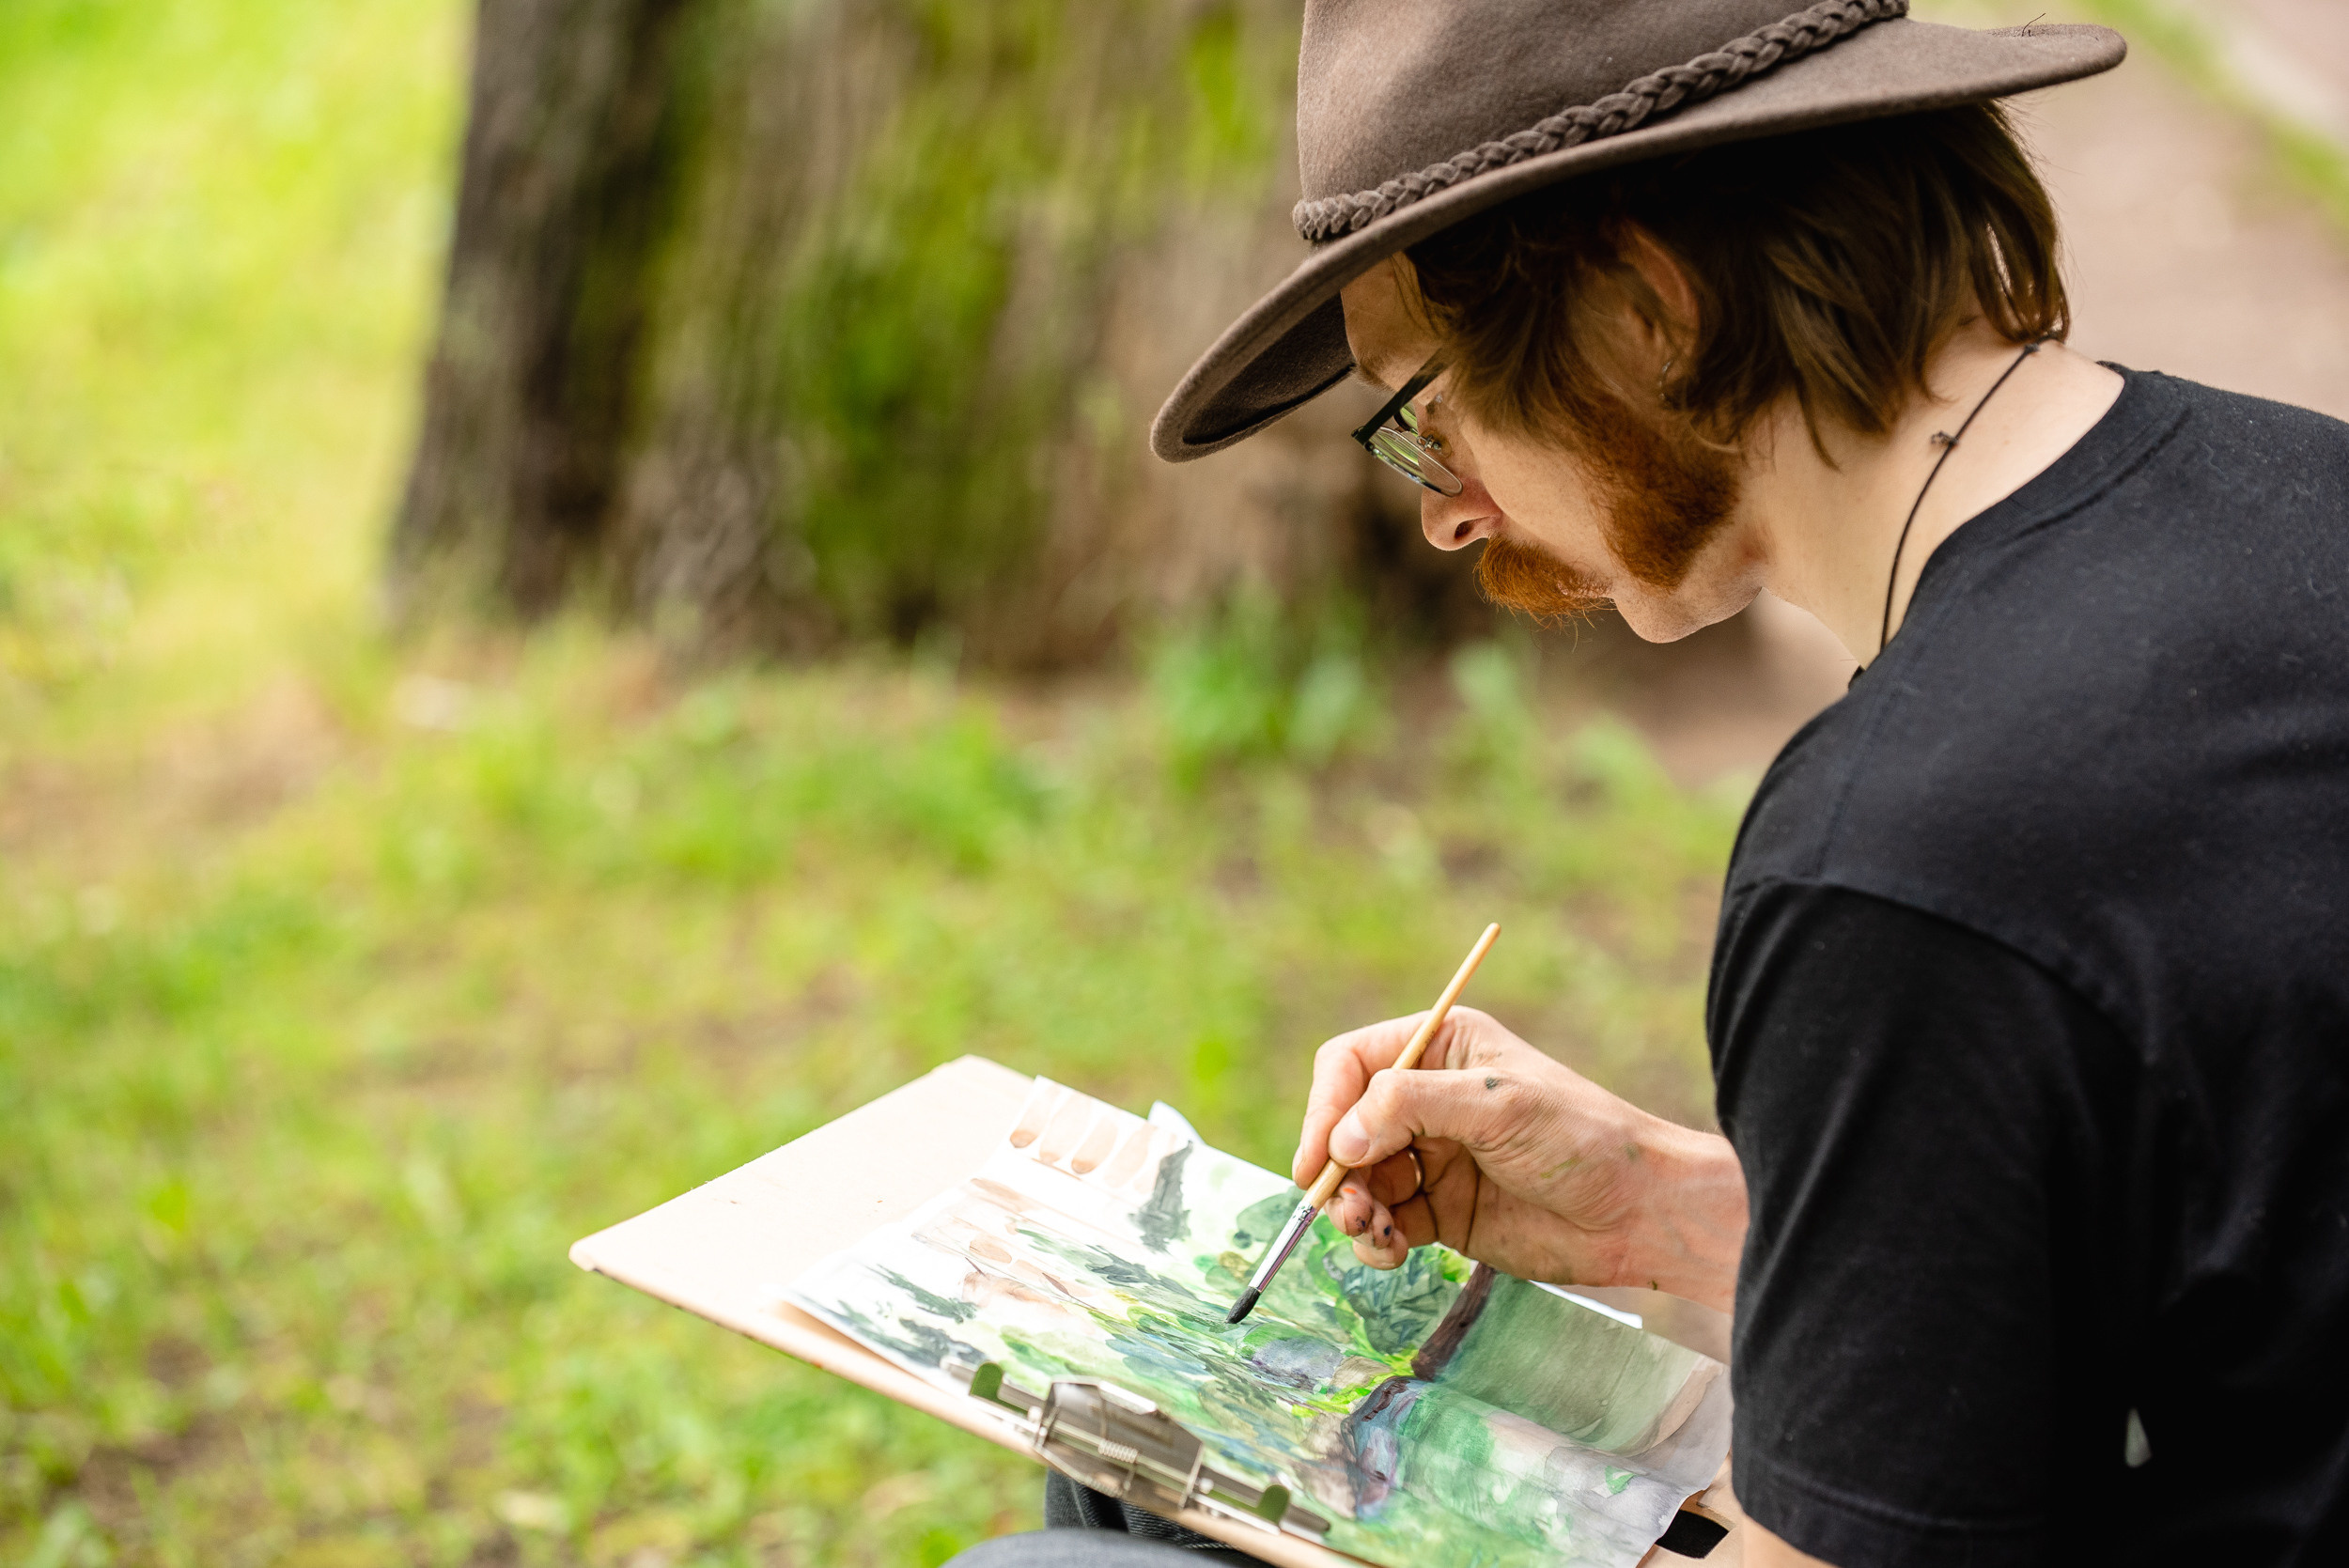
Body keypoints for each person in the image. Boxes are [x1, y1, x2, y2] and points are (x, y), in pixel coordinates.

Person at [956, 2, 2349, 1563]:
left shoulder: (1908, 855)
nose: (1448, 515)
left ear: (1646, 307)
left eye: (1428, 412)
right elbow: (2228, 1238)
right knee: (1132, 1468)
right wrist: (1666, 1206)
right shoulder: (2305, 490)